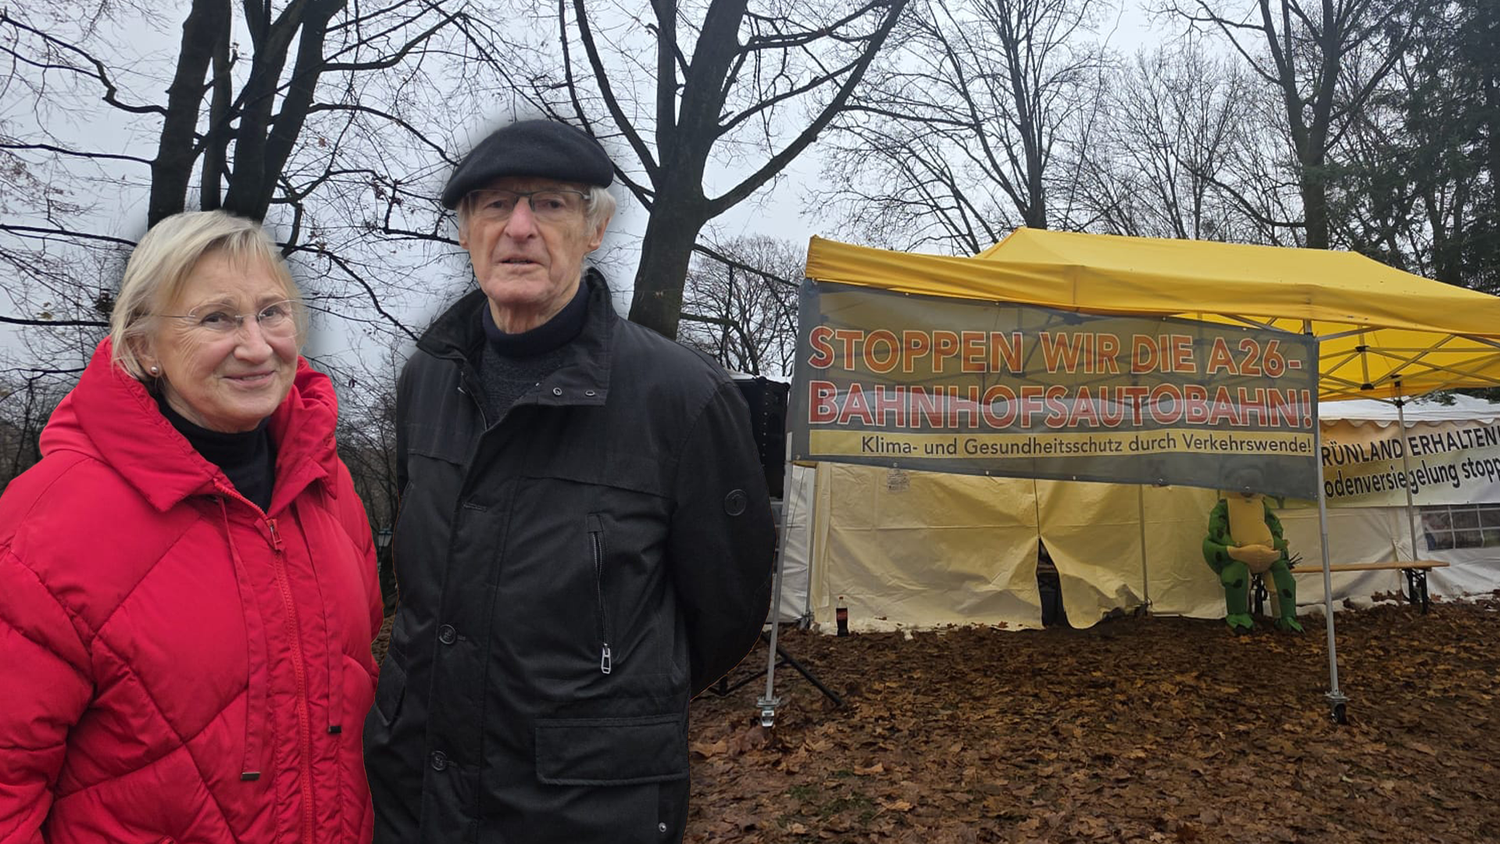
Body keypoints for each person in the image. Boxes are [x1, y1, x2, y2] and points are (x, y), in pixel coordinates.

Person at [362, 119, 775, 843]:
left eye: (549, 204)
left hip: (586, 805)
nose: (518, 227)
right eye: (493, 205)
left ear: (596, 228)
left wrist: (605, 709)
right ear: (465, 230)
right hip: (415, 793)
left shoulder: (681, 397)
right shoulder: (426, 379)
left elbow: (725, 611)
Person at [0, 210, 383, 842]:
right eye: (216, 318)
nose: (257, 346)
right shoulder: (47, 522)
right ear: (145, 347)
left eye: (272, 312)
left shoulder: (327, 486)